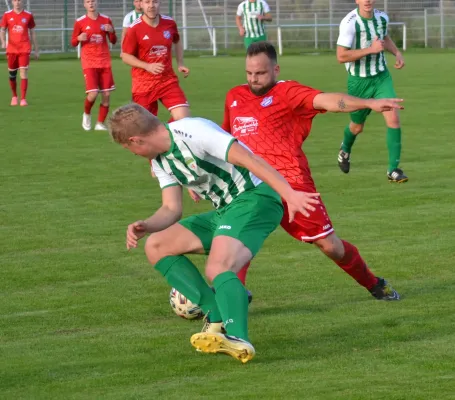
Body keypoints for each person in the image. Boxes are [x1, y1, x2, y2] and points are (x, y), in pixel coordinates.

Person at [108, 103, 321, 363]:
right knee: (156, 245)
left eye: (130, 149)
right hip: (226, 211)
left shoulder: (193, 131)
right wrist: (147, 225)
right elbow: (171, 208)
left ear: (136, 140)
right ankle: (216, 316)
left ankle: (238, 338)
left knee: (218, 267)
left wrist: (290, 194)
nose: (133, 154)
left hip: (256, 200)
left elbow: (251, 159)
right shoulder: (161, 161)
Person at [222, 41, 402, 301]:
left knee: (330, 246)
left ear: (275, 69)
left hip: (292, 182)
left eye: (260, 73)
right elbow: (225, 140)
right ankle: (233, 297)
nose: (254, 79)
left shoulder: (288, 92)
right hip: (251, 184)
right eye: (249, 73)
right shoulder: (234, 96)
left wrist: (367, 103)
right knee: (236, 238)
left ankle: (374, 283)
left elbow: (328, 100)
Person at [336, 0, 407, 183]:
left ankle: (393, 169)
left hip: (381, 77)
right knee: (357, 126)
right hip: (359, 82)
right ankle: (345, 148)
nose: (367, 0)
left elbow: (385, 37)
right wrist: (371, 50)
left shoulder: (382, 18)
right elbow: (341, 56)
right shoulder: (349, 22)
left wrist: (396, 52)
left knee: (393, 117)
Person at [121, 0, 190, 122]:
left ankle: (167, 135)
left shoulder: (169, 23)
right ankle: (162, 135)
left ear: (160, 3)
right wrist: (147, 66)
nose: (151, 5)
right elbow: (125, 56)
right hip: (143, 84)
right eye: (147, 2)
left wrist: (180, 63)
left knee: (184, 118)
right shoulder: (134, 28)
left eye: (155, 2)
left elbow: (177, 40)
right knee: (145, 128)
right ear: (141, 4)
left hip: (167, 80)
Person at [71, 0, 117, 131]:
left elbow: (113, 40)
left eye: (93, 1)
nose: (91, 4)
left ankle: (99, 124)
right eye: (88, 2)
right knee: (93, 94)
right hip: (89, 62)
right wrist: (78, 38)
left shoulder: (106, 20)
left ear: (97, 3)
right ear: (84, 5)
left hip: (104, 62)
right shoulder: (80, 21)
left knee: (106, 94)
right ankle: (86, 114)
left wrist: (112, 31)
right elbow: (73, 42)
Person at [0, 0, 39, 106]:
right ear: (12, 2)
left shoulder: (28, 15)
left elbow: (33, 32)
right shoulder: (7, 15)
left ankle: (23, 99)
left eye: (19, 0)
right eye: (15, 0)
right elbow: (2, 30)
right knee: (12, 74)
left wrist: (36, 50)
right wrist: (3, 42)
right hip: (12, 49)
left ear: (23, 1)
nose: (17, 2)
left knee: (23, 72)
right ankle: (14, 96)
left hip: (24, 48)